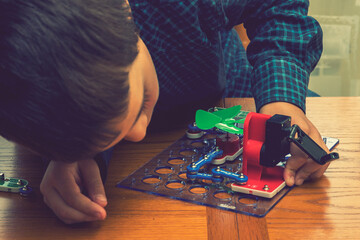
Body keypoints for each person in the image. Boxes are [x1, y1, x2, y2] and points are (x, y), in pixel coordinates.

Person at [0, 0, 330, 224]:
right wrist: (75, 153)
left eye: (141, 102)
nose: (139, 134)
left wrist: (282, 102)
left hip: (222, 84)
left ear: (126, 14)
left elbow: (277, 7)